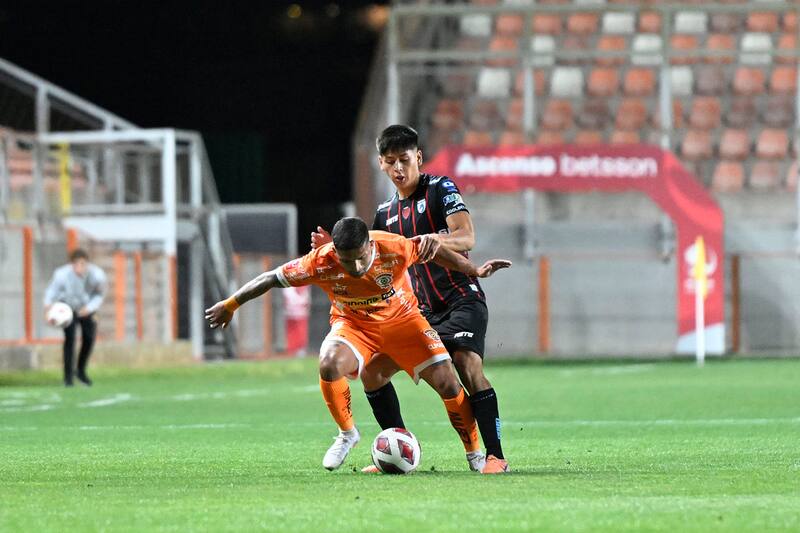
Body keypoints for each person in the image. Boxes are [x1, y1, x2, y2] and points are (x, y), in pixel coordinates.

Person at [206, 217, 511, 472]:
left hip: (405, 322)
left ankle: (474, 453)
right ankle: (347, 434)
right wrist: (231, 304)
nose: (354, 266)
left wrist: (474, 271)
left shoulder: (393, 246)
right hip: (355, 326)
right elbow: (270, 278)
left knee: (447, 382)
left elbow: (435, 251)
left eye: (361, 257)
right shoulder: (320, 262)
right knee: (328, 363)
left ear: (370, 245)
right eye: (346, 260)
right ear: (335, 251)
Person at [312, 125, 509, 474]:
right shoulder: (384, 213)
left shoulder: (440, 189)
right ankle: (395, 445)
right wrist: (332, 251)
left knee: (465, 364)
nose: (399, 168)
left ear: (418, 157)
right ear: (382, 165)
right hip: (419, 312)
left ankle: (494, 456)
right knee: (373, 372)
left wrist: (433, 240)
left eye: (405, 159)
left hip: (461, 299)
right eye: (391, 162)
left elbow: (466, 237)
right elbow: (369, 268)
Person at [44, 248, 107, 387]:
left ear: (87, 263)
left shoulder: (97, 276)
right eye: (76, 264)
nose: (79, 267)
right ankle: (68, 377)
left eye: (82, 264)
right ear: (71, 264)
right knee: (70, 340)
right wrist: (48, 307)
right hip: (68, 308)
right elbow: (51, 291)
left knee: (89, 338)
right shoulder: (61, 274)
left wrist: (89, 308)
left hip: (87, 308)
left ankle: (80, 371)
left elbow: (99, 295)